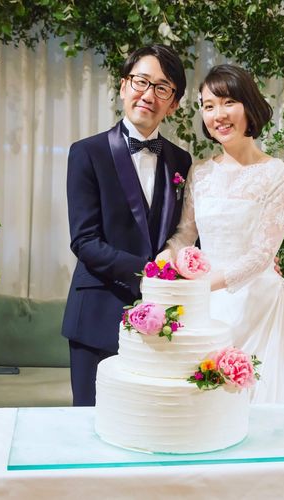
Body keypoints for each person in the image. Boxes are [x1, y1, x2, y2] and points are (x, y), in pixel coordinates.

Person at [160, 64, 284, 426]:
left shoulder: (279, 174)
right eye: (208, 106)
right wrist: (163, 261)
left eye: (228, 102)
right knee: (204, 417)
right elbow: (185, 234)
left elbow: (262, 254)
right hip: (205, 304)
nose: (218, 115)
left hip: (259, 305)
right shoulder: (200, 172)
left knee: (261, 417)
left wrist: (201, 285)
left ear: (249, 106)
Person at [62, 45, 191, 406]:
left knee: (149, 424)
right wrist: (148, 274)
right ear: (123, 86)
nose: (148, 95)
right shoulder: (87, 152)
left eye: (162, 88)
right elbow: (84, 241)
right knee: (92, 423)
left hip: (163, 323)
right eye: (141, 81)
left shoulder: (181, 161)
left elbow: (186, 232)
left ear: (173, 104)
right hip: (97, 315)